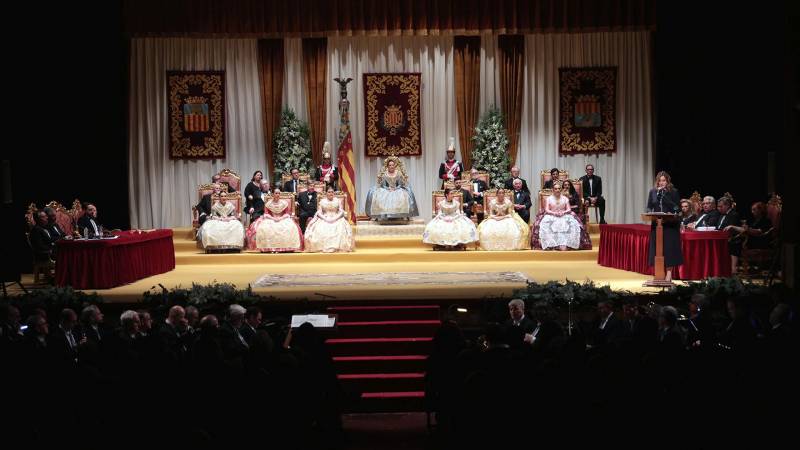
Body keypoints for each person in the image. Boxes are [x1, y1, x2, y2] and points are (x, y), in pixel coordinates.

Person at [646, 171, 683, 281]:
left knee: (669, 250)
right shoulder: (653, 192)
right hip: (657, 224)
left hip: (670, 225)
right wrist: (649, 212)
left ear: (668, 181)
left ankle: (669, 274)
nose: (661, 183)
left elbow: (677, 209)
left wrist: (666, 198)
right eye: (659, 181)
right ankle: (658, 273)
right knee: (657, 250)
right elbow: (648, 206)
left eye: (664, 180)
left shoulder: (673, 192)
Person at [247, 188, 304, 252]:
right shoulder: (268, 204)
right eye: (276, 193)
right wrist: (273, 218)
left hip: (282, 218)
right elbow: (266, 214)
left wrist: (280, 218)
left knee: (290, 227)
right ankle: (268, 248)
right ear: (273, 194)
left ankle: (287, 247)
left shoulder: (284, 203)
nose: (278, 195)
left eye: (279, 193)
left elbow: (287, 214)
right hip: (271, 218)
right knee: (264, 227)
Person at [535, 181, 586, 250]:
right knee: (546, 225)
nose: (557, 190)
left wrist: (563, 212)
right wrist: (554, 213)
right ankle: (552, 244)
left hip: (564, 215)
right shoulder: (549, 198)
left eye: (559, 188)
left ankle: (566, 244)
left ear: (561, 190)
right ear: (553, 190)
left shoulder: (565, 198)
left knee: (572, 224)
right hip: (551, 215)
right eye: (555, 189)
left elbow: (569, 209)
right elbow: (547, 209)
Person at [304, 186, 355, 253]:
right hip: (325, 217)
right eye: (329, 192)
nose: (330, 193)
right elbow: (319, 212)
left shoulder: (337, 201)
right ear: (326, 193)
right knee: (320, 228)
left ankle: (337, 246)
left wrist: (335, 218)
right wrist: (325, 219)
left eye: (332, 192)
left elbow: (341, 211)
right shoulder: (322, 201)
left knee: (340, 228)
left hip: (336, 217)